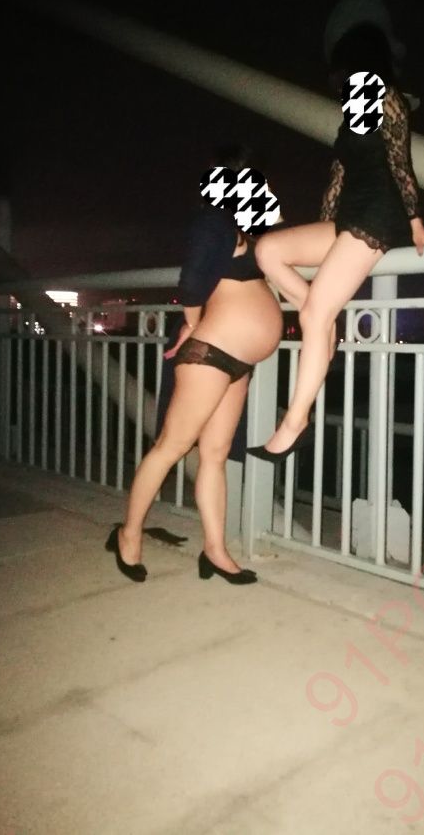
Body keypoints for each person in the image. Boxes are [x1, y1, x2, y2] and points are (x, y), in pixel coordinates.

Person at [248, 0, 424, 462]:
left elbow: (400, 163)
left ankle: (294, 423)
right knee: (269, 251)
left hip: (379, 212)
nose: (339, 75)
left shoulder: (387, 98)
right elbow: (340, 173)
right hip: (350, 214)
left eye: (343, 65)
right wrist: (327, 228)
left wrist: (416, 222)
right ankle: (320, 317)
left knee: (315, 316)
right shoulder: (356, 103)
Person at [106, 145, 284, 584]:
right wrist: (192, 325)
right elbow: (191, 283)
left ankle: (215, 551)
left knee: (216, 454)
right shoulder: (212, 221)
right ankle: (128, 534)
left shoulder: (251, 226)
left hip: (238, 359)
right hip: (212, 353)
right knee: (171, 446)